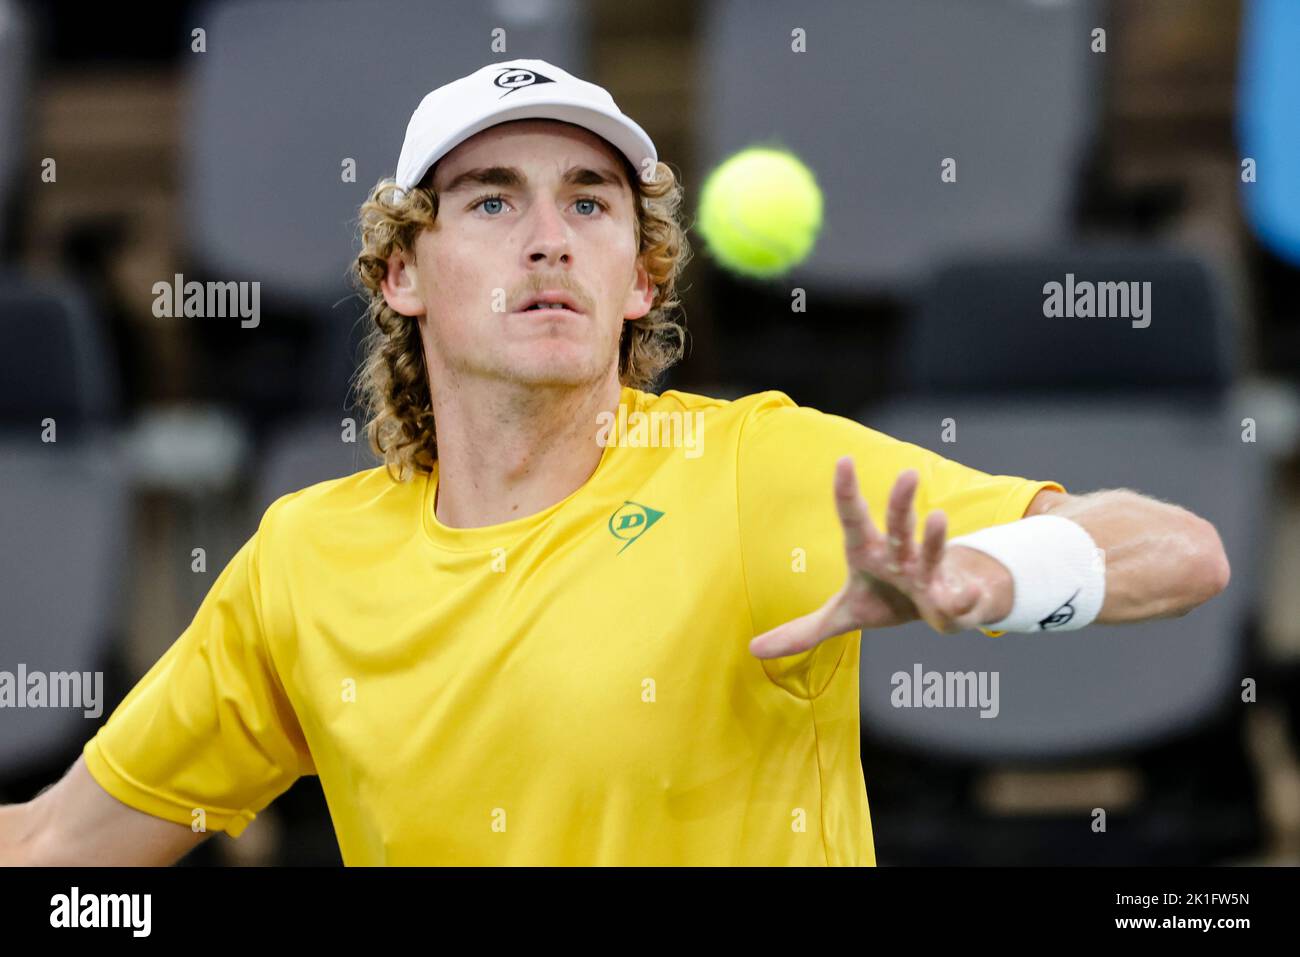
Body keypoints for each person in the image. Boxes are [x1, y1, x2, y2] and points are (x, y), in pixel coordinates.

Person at [0, 59, 1230, 867]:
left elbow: (1180, 551)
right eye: (489, 202)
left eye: (590, 205)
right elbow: (63, 855)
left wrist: (995, 579)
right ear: (401, 275)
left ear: (640, 279)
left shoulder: (751, 467)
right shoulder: (303, 563)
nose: (548, 239)